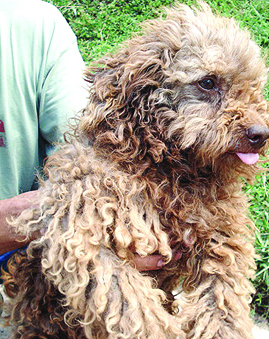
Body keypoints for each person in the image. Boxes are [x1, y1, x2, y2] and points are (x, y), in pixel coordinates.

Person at [0, 0, 164, 272]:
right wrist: (40, 216)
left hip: (23, 259)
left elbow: (89, 148)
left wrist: (108, 221)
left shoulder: (33, 26)